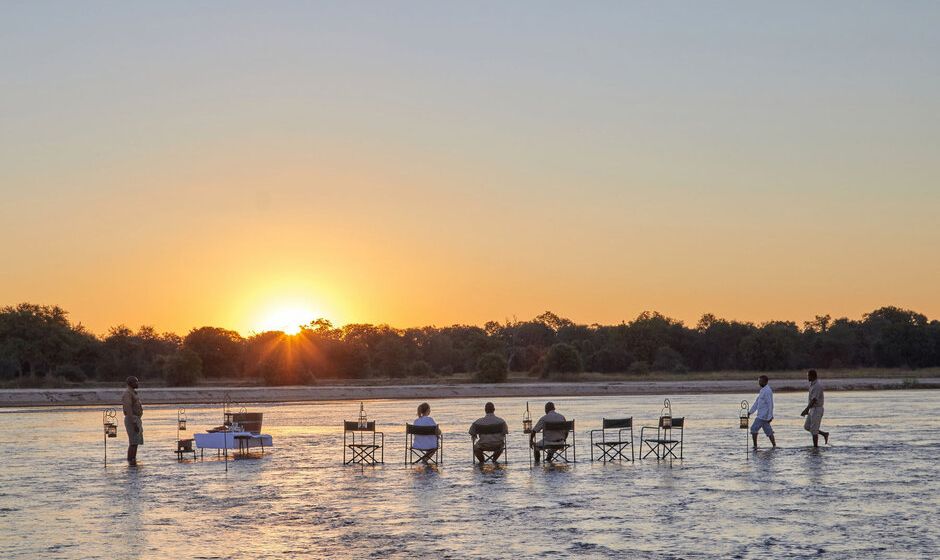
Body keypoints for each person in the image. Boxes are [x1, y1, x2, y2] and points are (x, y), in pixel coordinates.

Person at [801, 369, 830, 448]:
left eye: (808, 376)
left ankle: (815, 449)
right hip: (812, 409)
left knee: (814, 430)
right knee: (807, 427)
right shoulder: (812, 384)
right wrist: (808, 410)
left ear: (812, 376)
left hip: (817, 409)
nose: (807, 377)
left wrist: (806, 410)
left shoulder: (817, 385)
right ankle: (824, 434)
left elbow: (814, 400)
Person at [748, 375, 777, 450]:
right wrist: (750, 412)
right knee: (768, 431)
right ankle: (774, 446)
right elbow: (757, 403)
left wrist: (770, 416)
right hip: (763, 416)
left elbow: (770, 404)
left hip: (763, 416)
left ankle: (755, 446)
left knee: (753, 429)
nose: (759, 382)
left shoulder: (767, 391)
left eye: (760, 381)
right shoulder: (762, 390)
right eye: (759, 381)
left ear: (765, 382)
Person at [122, 376, 143, 465]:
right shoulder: (127, 393)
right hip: (132, 419)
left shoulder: (132, 392)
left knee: (136, 441)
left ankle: (133, 462)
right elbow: (128, 409)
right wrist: (133, 423)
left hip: (136, 418)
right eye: (136, 382)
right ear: (130, 383)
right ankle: (131, 461)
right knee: (133, 442)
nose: (137, 384)